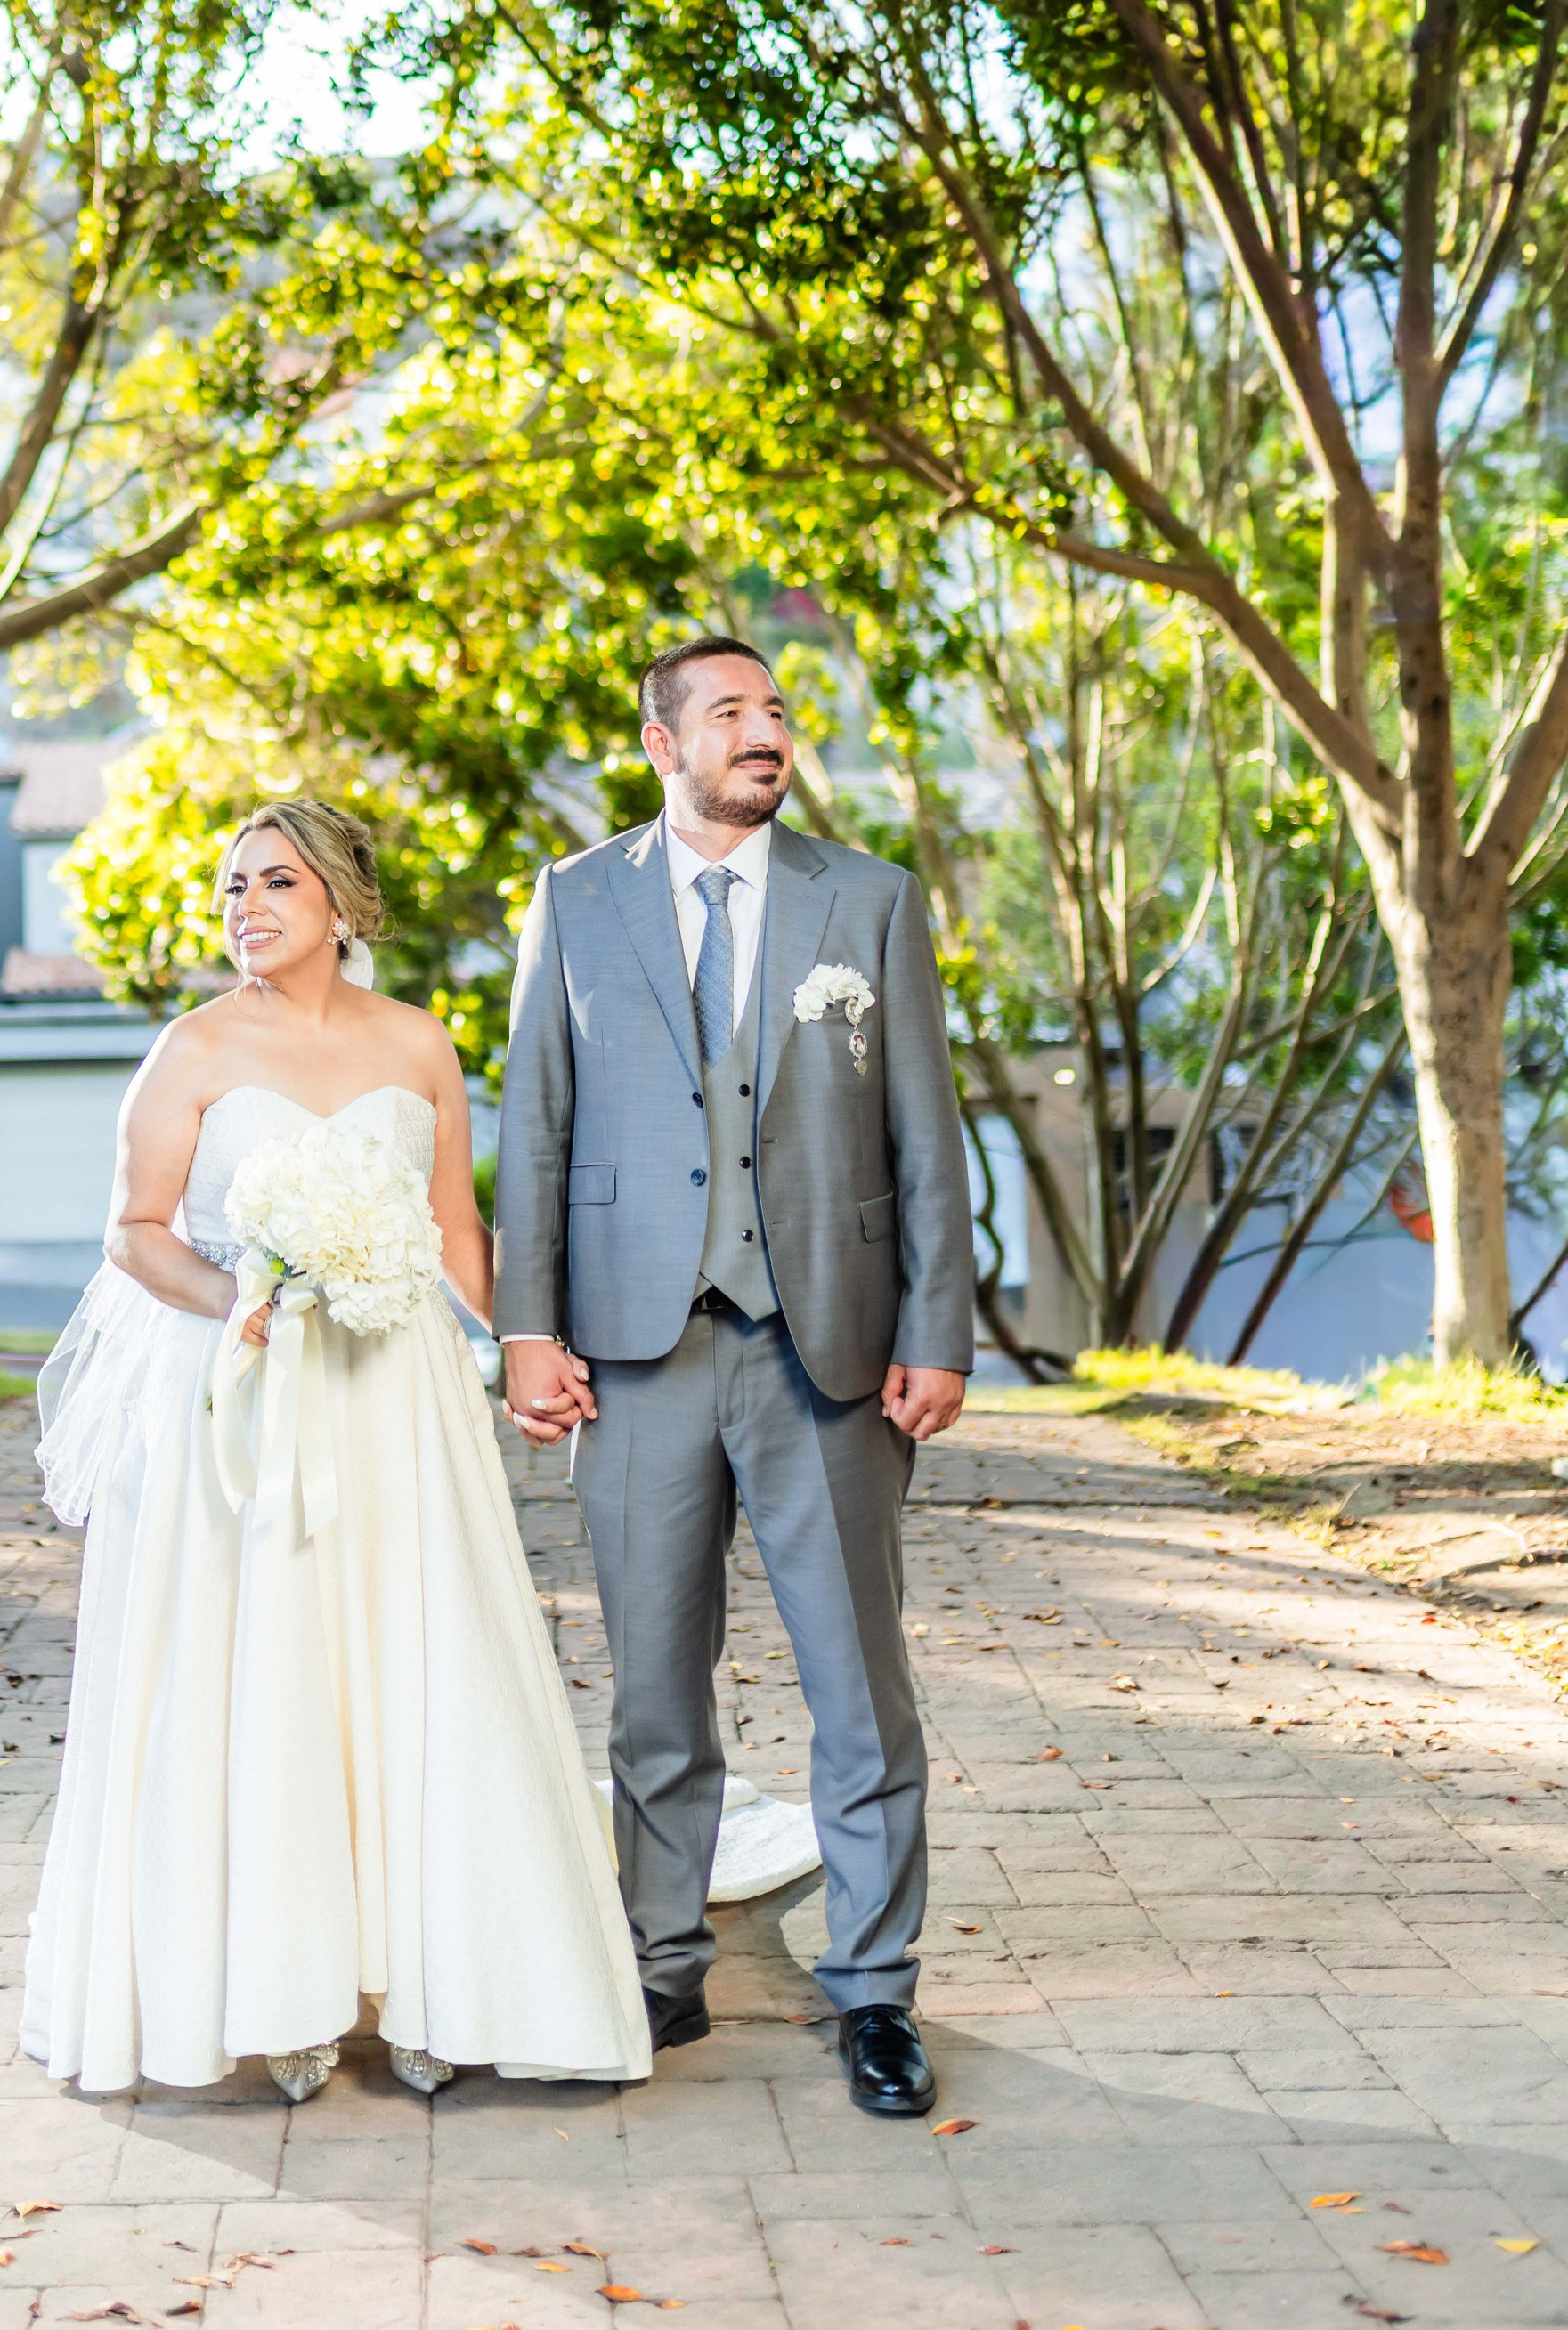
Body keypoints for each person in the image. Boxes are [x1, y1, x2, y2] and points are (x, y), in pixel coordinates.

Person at [20, 796, 651, 2100]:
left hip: (396, 1398)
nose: (245, 904)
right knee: (269, 1675)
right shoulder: (189, 1050)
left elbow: (454, 1227)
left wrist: (527, 1340)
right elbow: (135, 1229)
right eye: (233, 885)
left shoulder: (419, 1046)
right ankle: (284, 1990)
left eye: (276, 883)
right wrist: (240, 1295)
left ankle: (428, 1980)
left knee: (417, 1663)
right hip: (245, 1404)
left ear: (344, 905)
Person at [494, 638, 974, 2117]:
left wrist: (938, 1326)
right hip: (636, 1354)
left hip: (824, 1344)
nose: (765, 732)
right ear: (662, 740)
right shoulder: (576, 902)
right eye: (731, 713)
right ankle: (660, 1963)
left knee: (859, 1686)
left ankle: (877, 1993)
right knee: (653, 1690)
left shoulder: (871, 900)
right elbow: (538, 1124)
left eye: (775, 712)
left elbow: (925, 1131)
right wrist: (525, 1327)